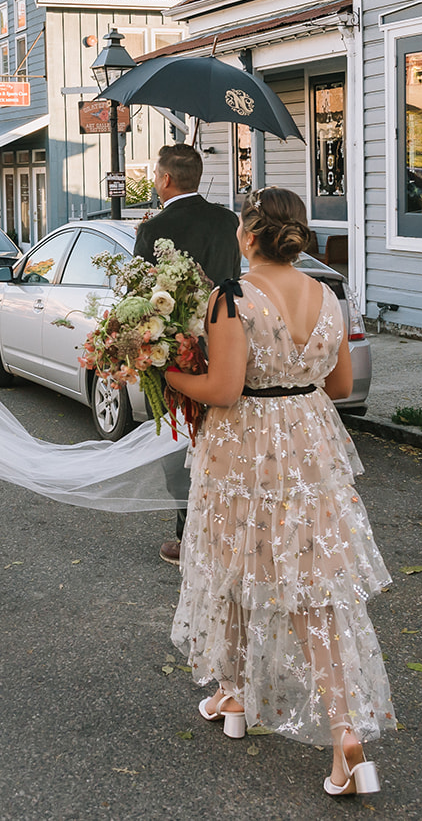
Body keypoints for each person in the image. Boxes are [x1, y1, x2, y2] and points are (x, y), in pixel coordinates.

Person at [163, 187, 394, 797]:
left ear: (247, 235)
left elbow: (224, 388)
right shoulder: (327, 296)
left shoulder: (232, 296)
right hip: (310, 445)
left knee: (233, 567)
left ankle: (235, 697)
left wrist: (166, 371)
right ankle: (341, 732)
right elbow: (341, 385)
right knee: (315, 586)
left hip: (243, 450)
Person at [132, 143, 242, 566]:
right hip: (226, 341)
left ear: (164, 179)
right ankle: (222, 526)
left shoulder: (152, 228)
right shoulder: (227, 221)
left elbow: (140, 295)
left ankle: (189, 533)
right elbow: (231, 281)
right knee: (221, 437)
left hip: (174, 352)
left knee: (178, 442)